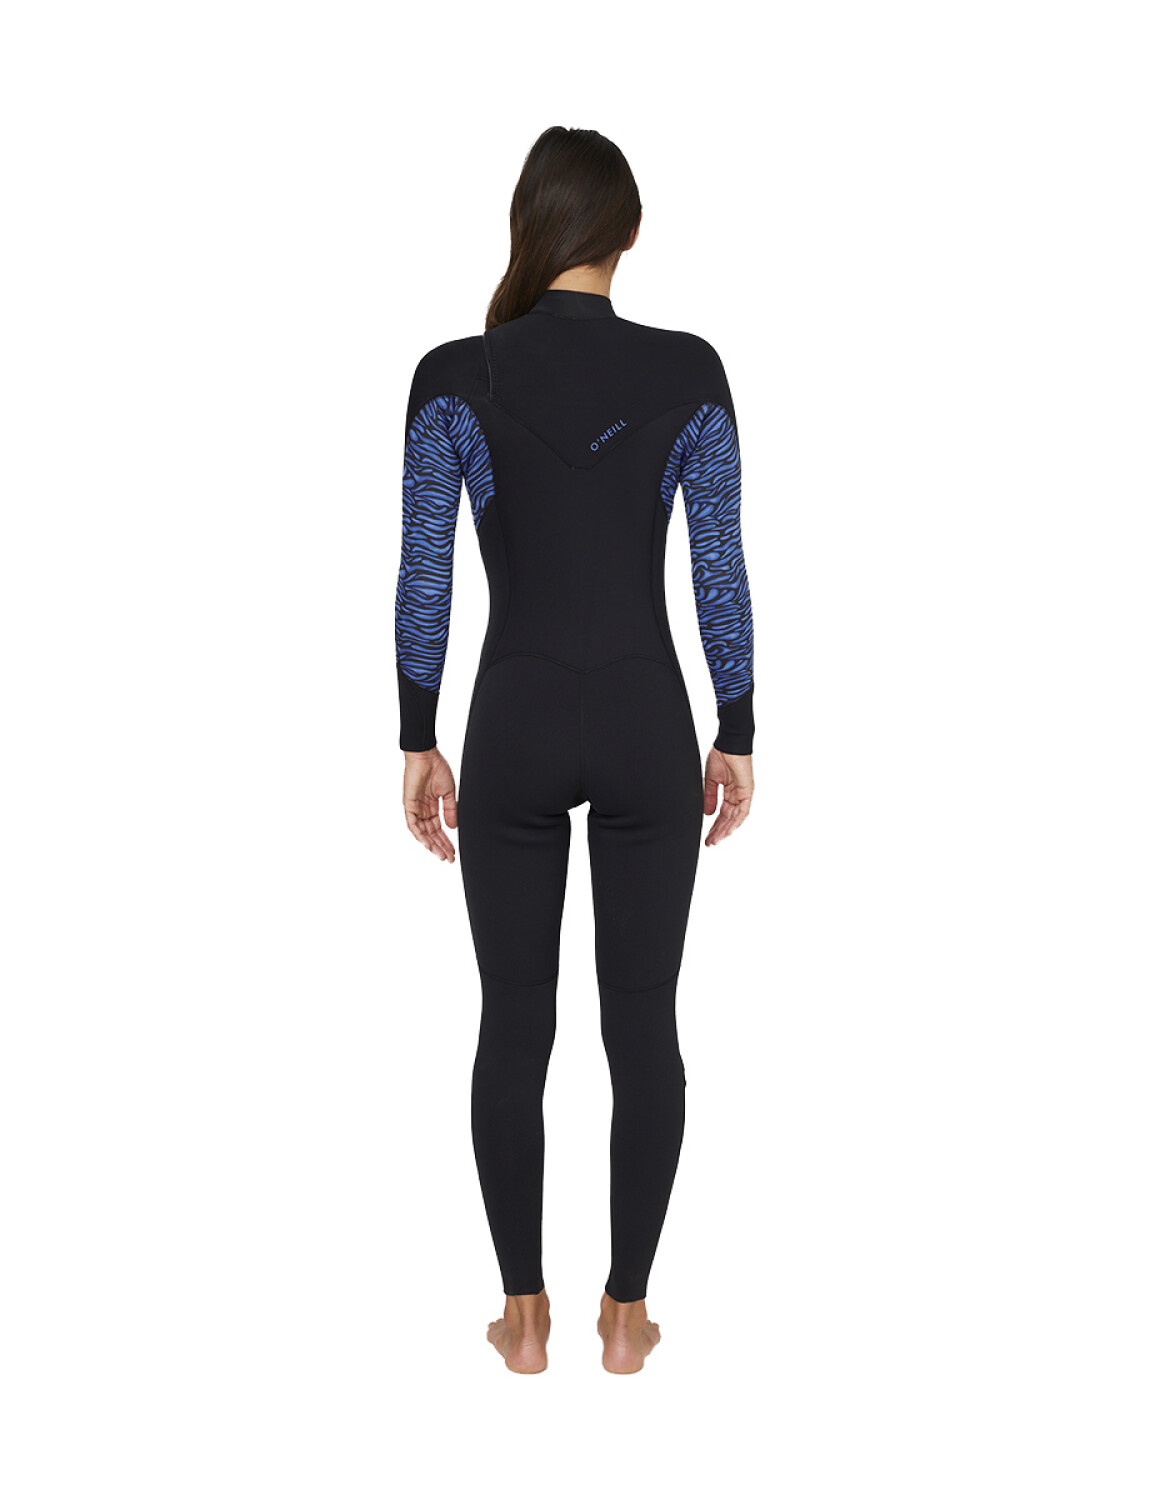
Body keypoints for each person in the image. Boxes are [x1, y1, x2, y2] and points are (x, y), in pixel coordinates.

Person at [394, 126, 755, 1374]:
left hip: (515, 720)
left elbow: (425, 575)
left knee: (513, 1021)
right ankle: (626, 1314)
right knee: (644, 1023)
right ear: (630, 232)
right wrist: (737, 731)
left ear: (530, 224)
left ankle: (524, 1315)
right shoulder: (688, 371)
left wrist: (416, 739)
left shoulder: (456, 377)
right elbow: (718, 571)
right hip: (650, 721)